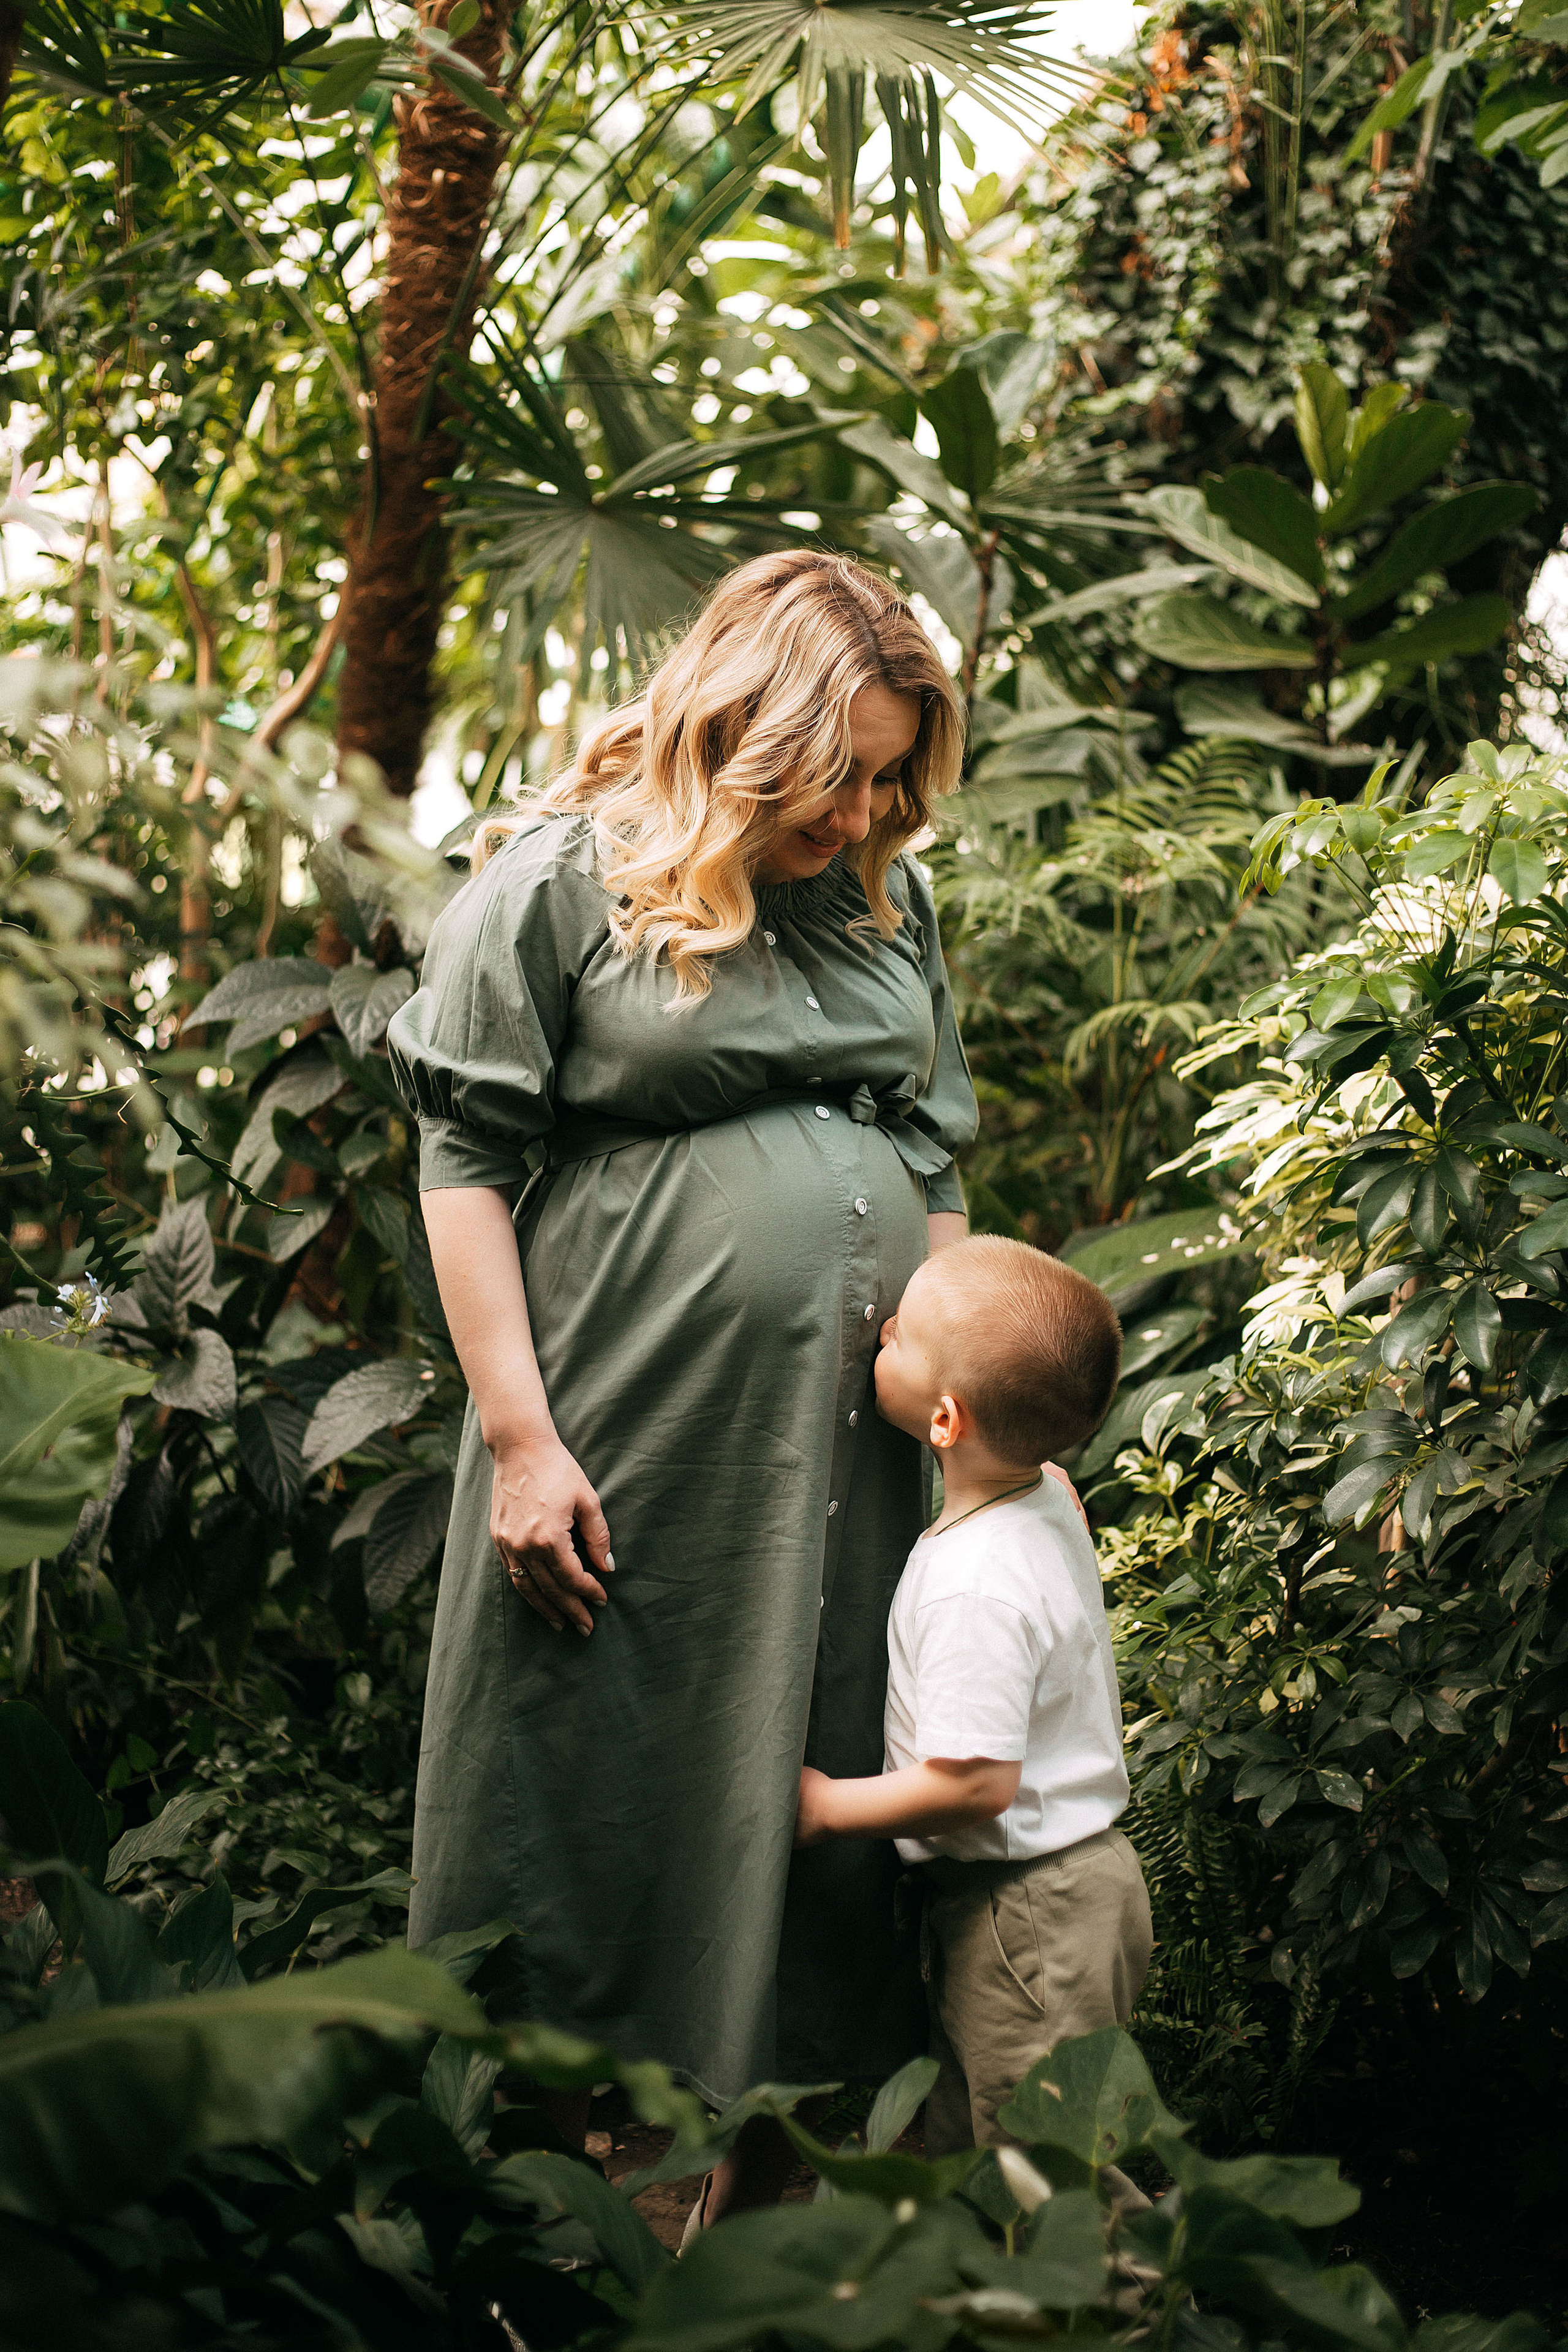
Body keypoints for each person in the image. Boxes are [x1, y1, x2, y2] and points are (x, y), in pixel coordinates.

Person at [386, 551, 978, 2215]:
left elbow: (932, 1163)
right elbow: (463, 1159)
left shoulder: (884, 901)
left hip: (854, 1448)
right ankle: (523, 2207)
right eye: (835, 773)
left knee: (827, 1753)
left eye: (887, 779)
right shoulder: (558, 881)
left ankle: (770, 2209)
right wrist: (520, 1441)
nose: (861, 814)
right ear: (741, 729)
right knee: (586, 1765)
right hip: (630, 1422)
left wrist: (971, 1430)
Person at [794, 1234, 1153, 2156]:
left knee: (1051, 2171)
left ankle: (1117, 2265)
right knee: (974, 2141)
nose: (882, 1332)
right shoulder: (1045, 1495)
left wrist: (827, 1807)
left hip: (1028, 1915)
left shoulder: (975, 1586)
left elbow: (974, 1785)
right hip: (1055, 1896)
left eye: (902, 1336)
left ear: (946, 1422)